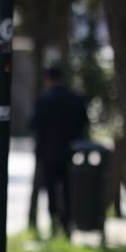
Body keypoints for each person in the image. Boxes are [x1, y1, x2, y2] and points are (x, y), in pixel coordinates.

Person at [29, 64, 90, 236]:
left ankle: (54, 222)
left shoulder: (43, 100)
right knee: (68, 188)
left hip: (48, 152)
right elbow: (84, 123)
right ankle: (67, 222)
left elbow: (34, 124)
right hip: (70, 151)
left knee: (50, 189)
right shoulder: (76, 99)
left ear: (48, 79)